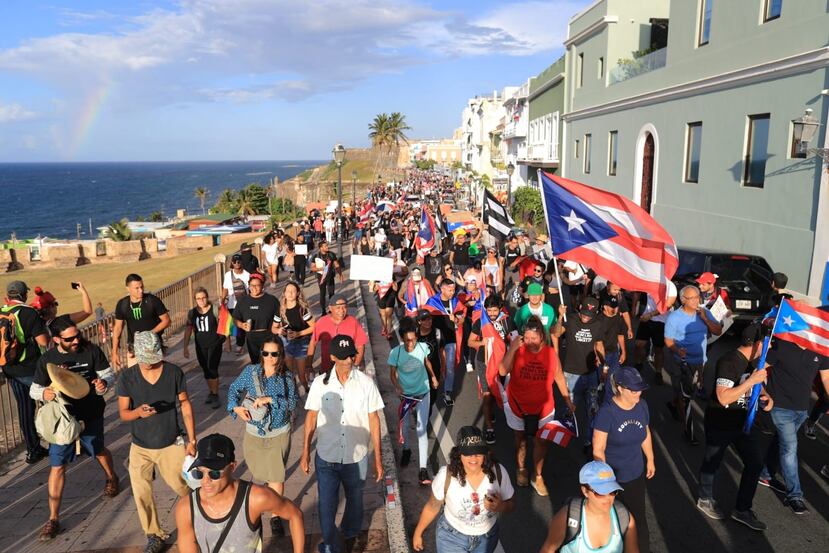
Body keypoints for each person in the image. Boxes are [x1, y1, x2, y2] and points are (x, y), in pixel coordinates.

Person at [30, 316, 120, 541]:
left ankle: (111, 477)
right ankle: (53, 519)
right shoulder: (48, 359)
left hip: (90, 412)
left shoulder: (91, 350)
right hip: (63, 420)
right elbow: (34, 389)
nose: (76, 340)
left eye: (77, 335)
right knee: (57, 465)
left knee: (97, 449)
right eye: (70, 338)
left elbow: (108, 373)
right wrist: (45, 393)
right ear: (57, 339)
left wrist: (104, 384)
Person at [300, 335, 384, 553]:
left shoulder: (366, 384)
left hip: (356, 458)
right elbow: (311, 418)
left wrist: (378, 459)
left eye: (352, 355)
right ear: (333, 357)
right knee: (326, 508)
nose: (349, 360)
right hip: (326, 457)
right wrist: (304, 452)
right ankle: (330, 545)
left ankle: (349, 533)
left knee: (355, 502)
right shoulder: (320, 384)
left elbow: (374, 421)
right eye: (345, 357)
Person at [116, 331, 196, 553]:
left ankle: (199, 518)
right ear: (137, 355)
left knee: (182, 486)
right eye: (147, 359)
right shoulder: (127, 377)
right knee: (141, 494)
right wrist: (138, 413)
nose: (151, 362)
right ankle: (153, 535)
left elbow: (186, 405)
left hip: (171, 442)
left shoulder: (173, 373)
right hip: (140, 446)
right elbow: (123, 412)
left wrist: (192, 439)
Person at [175, 433, 305, 553]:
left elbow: (295, 515)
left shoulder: (256, 498)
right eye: (199, 473)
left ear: (232, 467)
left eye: (214, 473)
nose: (205, 481)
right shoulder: (186, 508)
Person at [697, 324, 772, 530]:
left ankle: (742, 509)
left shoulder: (754, 363)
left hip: (743, 424)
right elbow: (723, 397)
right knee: (712, 463)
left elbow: (762, 392)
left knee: (755, 463)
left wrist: (766, 399)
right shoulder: (729, 361)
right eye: (767, 342)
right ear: (757, 344)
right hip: (720, 422)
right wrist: (752, 381)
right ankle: (704, 498)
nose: (769, 346)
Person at [227, 336, 298, 536]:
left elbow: (292, 404)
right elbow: (234, 389)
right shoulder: (251, 372)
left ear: (280, 355)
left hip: (278, 432)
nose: (269, 357)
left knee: (275, 475)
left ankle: (275, 515)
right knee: (259, 473)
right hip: (254, 432)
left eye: (274, 353)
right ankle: (263, 500)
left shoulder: (286, 377)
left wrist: (271, 399)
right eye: (265, 353)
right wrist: (236, 408)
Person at [500, 316, 574, 496]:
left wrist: (567, 400)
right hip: (517, 406)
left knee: (541, 443)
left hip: (544, 409)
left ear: (542, 336)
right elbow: (502, 371)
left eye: (534, 338)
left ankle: (538, 476)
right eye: (527, 338)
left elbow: (559, 377)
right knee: (521, 440)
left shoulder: (550, 353)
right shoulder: (518, 350)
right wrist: (512, 349)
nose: (530, 342)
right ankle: (521, 469)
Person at [412, 426, 515, 553]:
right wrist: (418, 532)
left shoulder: (498, 472)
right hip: (451, 538)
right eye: (468, 453)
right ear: (459, 454)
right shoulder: (446, 475)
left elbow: (511, 504)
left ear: (485, 453)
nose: (473, 458)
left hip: (487, 539)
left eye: (478, 452)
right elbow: (432, 506)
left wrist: (501, 506)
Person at [759, 329, 829, 515]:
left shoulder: (820, 350)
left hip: (801, 410)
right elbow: (759, 369)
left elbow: (827, 377)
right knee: (790, 448)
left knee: (780, 442)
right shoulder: (783, 346)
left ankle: (765, 474)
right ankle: (795, 496)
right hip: (780, 406)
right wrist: (763, 393)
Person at [592, 367, 655, 553]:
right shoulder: (607, 413)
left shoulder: (642, 405)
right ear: (619, 388)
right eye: (633, 390)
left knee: (638, 521)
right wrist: (604, 481)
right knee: (608, 520)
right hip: (611, 479)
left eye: (640, 389)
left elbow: (645, 433)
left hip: (635, 475)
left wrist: (650, 458)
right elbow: (598, 448)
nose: (638, 393)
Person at [664, 285, 723, 445]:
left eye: (698, 297)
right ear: (683, 300)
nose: (697, 300)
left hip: (699, 363)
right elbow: (668, 341)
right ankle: (689, 432)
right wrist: (678, 351)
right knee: (687, 398)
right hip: (681, 363)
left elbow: (718, 331)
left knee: (690, 393)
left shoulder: (704, 312)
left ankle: (674, 403)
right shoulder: (674, 318)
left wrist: (705, 318)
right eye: (693, 298)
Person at [539, 461, 639, 553]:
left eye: (612, 491)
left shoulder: (624, 518)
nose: (608, 498)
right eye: (600, 492)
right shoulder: (566, 518)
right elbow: (548, 550)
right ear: (585, 491)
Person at [1, 280, 50, 464]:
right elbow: (43, 341)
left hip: (10, 369)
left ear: (8, 296)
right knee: (51, 400)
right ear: (24, 295)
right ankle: (58, 439)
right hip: (31, 369)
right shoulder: (29, 313)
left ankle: (32, 449)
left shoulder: (2, 311)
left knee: (25, 409)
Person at [389, 319, 439, 486]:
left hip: (423, 392)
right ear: (402, 339)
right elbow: (392, 373)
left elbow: (427, 362)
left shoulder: (422, 347)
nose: (411, 343)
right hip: (406, 396)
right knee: (405, 426)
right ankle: (406, 450)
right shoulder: (395, 353)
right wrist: (397, 386)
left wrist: (432, 377)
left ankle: (423, 469)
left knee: (421, 428)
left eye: (414, 339)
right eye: (408, 340)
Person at [553, 298, 604, 451]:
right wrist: (560, 316)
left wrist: (603, 365)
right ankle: (561, 436)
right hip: (571, 373)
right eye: (583, 313)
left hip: (591, 374)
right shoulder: (571, 320)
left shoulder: (598, 324)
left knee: (593, 410)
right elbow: (555, 333)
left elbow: (599, 345)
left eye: (589, 315)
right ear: (580, 308)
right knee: (569, 408)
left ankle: (590, 441)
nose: (585, 317)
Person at [468, 295, 515, 444]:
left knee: (499, 391)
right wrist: (482, 342)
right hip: (484, 362)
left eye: (495, 311)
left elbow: (514, 340)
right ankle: (489, 428)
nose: (492, 314)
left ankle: (493, 411)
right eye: (489, 311)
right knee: (487, 395)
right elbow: (470, 342)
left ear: (500, 309)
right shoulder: (480, 322)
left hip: (502, 364)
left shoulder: (506, 321)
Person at [112, 274, 171, 371]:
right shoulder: (122, 304)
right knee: (135, 379)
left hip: (152, 346)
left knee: (154, 378)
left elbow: (167, 321)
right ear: (128, 288)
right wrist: (114, 352)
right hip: (133, 348)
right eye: (137, 288)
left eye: (142, 287)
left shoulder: (152, 300)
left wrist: (148, 334)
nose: (141, 290)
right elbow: (117, 328)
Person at [307, 293, 368, 377]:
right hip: (327, 369)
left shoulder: (353, 322)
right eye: (338, 308)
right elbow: (313, 343)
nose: (342, 311)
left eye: (344, 307)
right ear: (330, 308)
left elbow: (361, 345)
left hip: (348, 371)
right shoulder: (322, 322)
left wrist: (356, 363)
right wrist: (309, 365)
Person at [183, 287, 225, 407]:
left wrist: (226, 342)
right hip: (200, 346)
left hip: (215, 344)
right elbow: (188, 330)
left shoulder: (215, 309)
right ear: (195, 300)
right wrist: (185, 347)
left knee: (212, 368)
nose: (201, 300)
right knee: (205, 369)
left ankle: (216, 394)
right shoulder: (192, 313)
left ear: (207, 297)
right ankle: (211, 392)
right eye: (198, 298)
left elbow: (224, 325)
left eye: (203, 297)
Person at [632, 282, 677, 386]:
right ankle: (639, 364)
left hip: (661, 321)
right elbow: (637, 291)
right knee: (639, 344)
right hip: (646, 319)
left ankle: (658, 372)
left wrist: (651, 314)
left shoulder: (670, 286)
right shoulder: (650, 279)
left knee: (658, 349)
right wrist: (634, 307)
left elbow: (668, 305)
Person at [233, 272, 281, 364]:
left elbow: (279, 317)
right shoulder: (243, 301)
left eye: (257, 285)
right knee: (256, 365)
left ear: (262, 285)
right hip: (251, 338)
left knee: (270, 364)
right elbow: (235, 319)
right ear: (248, 285)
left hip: (269, 337)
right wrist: (242, 325)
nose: (254, 288)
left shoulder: (272, 300)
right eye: (252, 285)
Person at [278, 281, 316, 392]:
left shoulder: (302, 309)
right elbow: (273, 328)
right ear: (284, 293)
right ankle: (294, 394)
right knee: (290, 374)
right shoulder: (280, 310)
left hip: (302, 343)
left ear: (298, 293)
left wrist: (298, 334)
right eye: (288, 291)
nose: (290, 293)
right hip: (287, 343)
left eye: (293, 291)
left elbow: (314, 327)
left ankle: (307, 389)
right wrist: (279, 330)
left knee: (301, 374)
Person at [598, 296, 628, 403]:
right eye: (612, 307)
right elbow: (597, 343)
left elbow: (620, 335)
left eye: (616, 307)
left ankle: (609, 403)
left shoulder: (618, 318)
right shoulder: (598, 320)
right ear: (605, 307)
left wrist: (623, 352)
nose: (614, 309)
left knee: (613, 380)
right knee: (603, 377)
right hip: (601, 355)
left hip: (614, 353)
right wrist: (600, 360)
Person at [221, 253, 250, 354]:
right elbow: (225, 288)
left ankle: (239, 345)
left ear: (241, 262)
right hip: (231, 304)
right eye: (234, 262)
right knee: (234, 325)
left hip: (243, 304)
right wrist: (222, 300)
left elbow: (249, 290)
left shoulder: (247, 275)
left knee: (240, 325)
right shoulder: (228, 275)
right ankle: (235, 343)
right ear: (232, 263)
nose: (236, 263)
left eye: (238, 261)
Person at [416, 309, 445, 407]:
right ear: (419, 321)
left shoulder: (438, 333)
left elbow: (442, 352)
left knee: (432, 396)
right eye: (424, 320)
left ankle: (426, 414)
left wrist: (443, 369)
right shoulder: (415, 334)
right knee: (420, 395)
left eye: (429, 319)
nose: (428, 322)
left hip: (435, 368)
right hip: (419, 370)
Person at [311, 240, 342, 314]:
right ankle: (323, 311)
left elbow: (336, 265)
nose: (327, 247)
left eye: (327, 245)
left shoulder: (331, 255)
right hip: (321, 277)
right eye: (325, 246)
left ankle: (331, 310)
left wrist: (340, 274)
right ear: (321, 248)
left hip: (330, 277)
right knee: (322, 294)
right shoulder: (316, 256)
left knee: (331, 294)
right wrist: (319, 269)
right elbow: (312, 268)